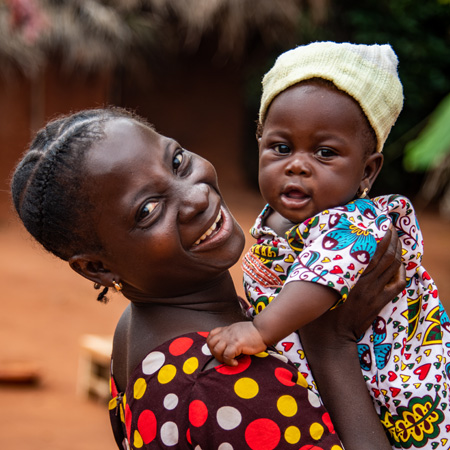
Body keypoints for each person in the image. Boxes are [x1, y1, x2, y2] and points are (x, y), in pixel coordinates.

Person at [11, 107, 404, 450]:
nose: (196, 196)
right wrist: (331, 341)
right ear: (97, 268)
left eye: (178, 161)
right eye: (148, 209)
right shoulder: (226, 382)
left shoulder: (134, 329)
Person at [206, 42, 450, 449]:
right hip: (353, 385)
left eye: (325, 153)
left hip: (406, 391)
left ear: (367, 170)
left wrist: (260, 330)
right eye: (281, 148)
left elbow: (323, 275)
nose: (298, 164)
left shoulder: (356, 220)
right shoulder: (274, 228)